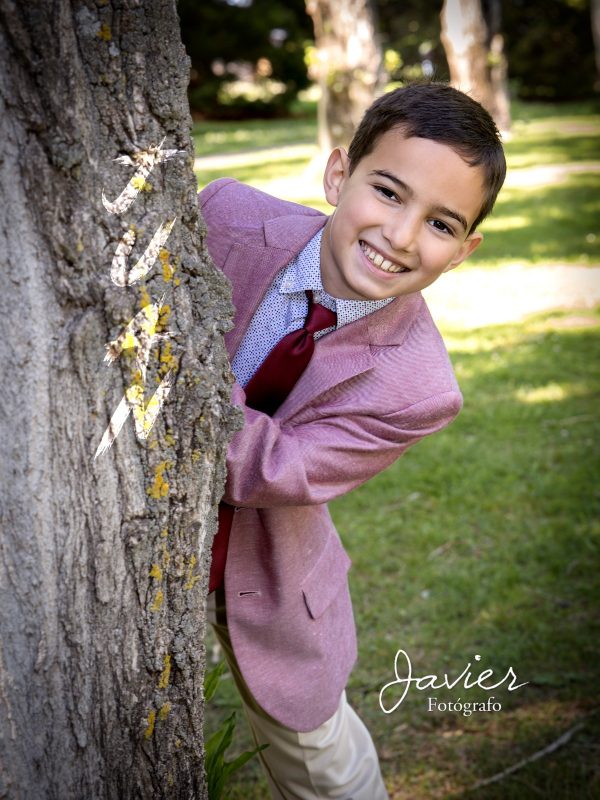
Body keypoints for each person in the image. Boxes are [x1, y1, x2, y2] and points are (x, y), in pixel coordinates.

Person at [200, 82, 506, 799]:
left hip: (268, 573)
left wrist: (169, 383)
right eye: (389, 193)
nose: (401, 236)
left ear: (465, 249)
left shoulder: (418, 387)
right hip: (127, 544)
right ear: (339, 175)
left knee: (323, 766)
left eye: (441, 223)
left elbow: (274, 468)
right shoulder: (226, 218)